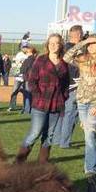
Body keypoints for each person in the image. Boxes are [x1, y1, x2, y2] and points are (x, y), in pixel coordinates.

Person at [63, 32, 96, 177]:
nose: (91, 46)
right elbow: (67, 57)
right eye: (89, 44)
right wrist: (83, 43)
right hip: (81, 101)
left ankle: (91, 168)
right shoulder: (83, 59)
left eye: (94, 43)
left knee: (90, 133)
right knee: (89, 134)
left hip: (95, 103)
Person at [17, 33, 70, 163]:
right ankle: (18, 163)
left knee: (49, 136)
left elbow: (66, 85)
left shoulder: (64, 63)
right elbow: (32, 81)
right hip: (40, 104)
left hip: (56, 105)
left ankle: (42, 163)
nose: (53, 45)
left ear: (60, 45)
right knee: (34, 134)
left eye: (56, 43)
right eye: (51, 42)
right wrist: (38, 95)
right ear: (47, 44)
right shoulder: (41, 60)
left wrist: (63, 97)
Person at [53, 25, 84, 147]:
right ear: (79, 35)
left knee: (62, 113)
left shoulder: (64, 48)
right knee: (70, 114)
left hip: (63, 85)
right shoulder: (76, 49)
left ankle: (56, 140)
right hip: (73, 85)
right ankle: (65, 142)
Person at [7, 46, 29, 112]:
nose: (25, 49)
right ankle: (12, 106)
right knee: (15, 91)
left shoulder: (28, 55)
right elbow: (15, 64)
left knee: (26, 93)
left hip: (25, 77)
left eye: (26, 48)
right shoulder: (19, 54)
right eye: (24, 48)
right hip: (18, 77)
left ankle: (25, 107)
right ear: (22, 49)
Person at [19, 46, 37, 114]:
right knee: (32, 95)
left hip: (28, 79)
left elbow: (23, 69)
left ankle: (27, 110)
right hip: (34, 79)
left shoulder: (28, 60)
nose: (26, 53)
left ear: (30, 53)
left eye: (27, 52)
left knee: (27, 94)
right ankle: (32, 109)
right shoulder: (36, 59)